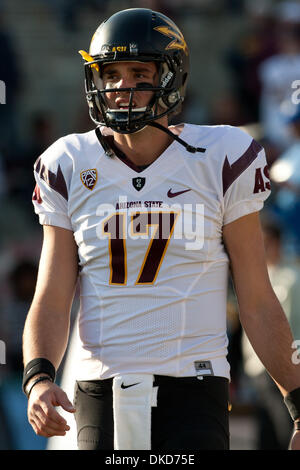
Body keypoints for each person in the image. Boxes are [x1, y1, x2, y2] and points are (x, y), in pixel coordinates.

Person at [22, 8, 300, 450]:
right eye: (110, 73)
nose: (121, 86)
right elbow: (53, 295)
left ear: (170, 76)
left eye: (138, 71)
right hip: (98, 385)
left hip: (194, 384)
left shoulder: (222, 156)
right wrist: (38, 377)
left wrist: (298, 400)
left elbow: (257, 298)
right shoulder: (68, 162)